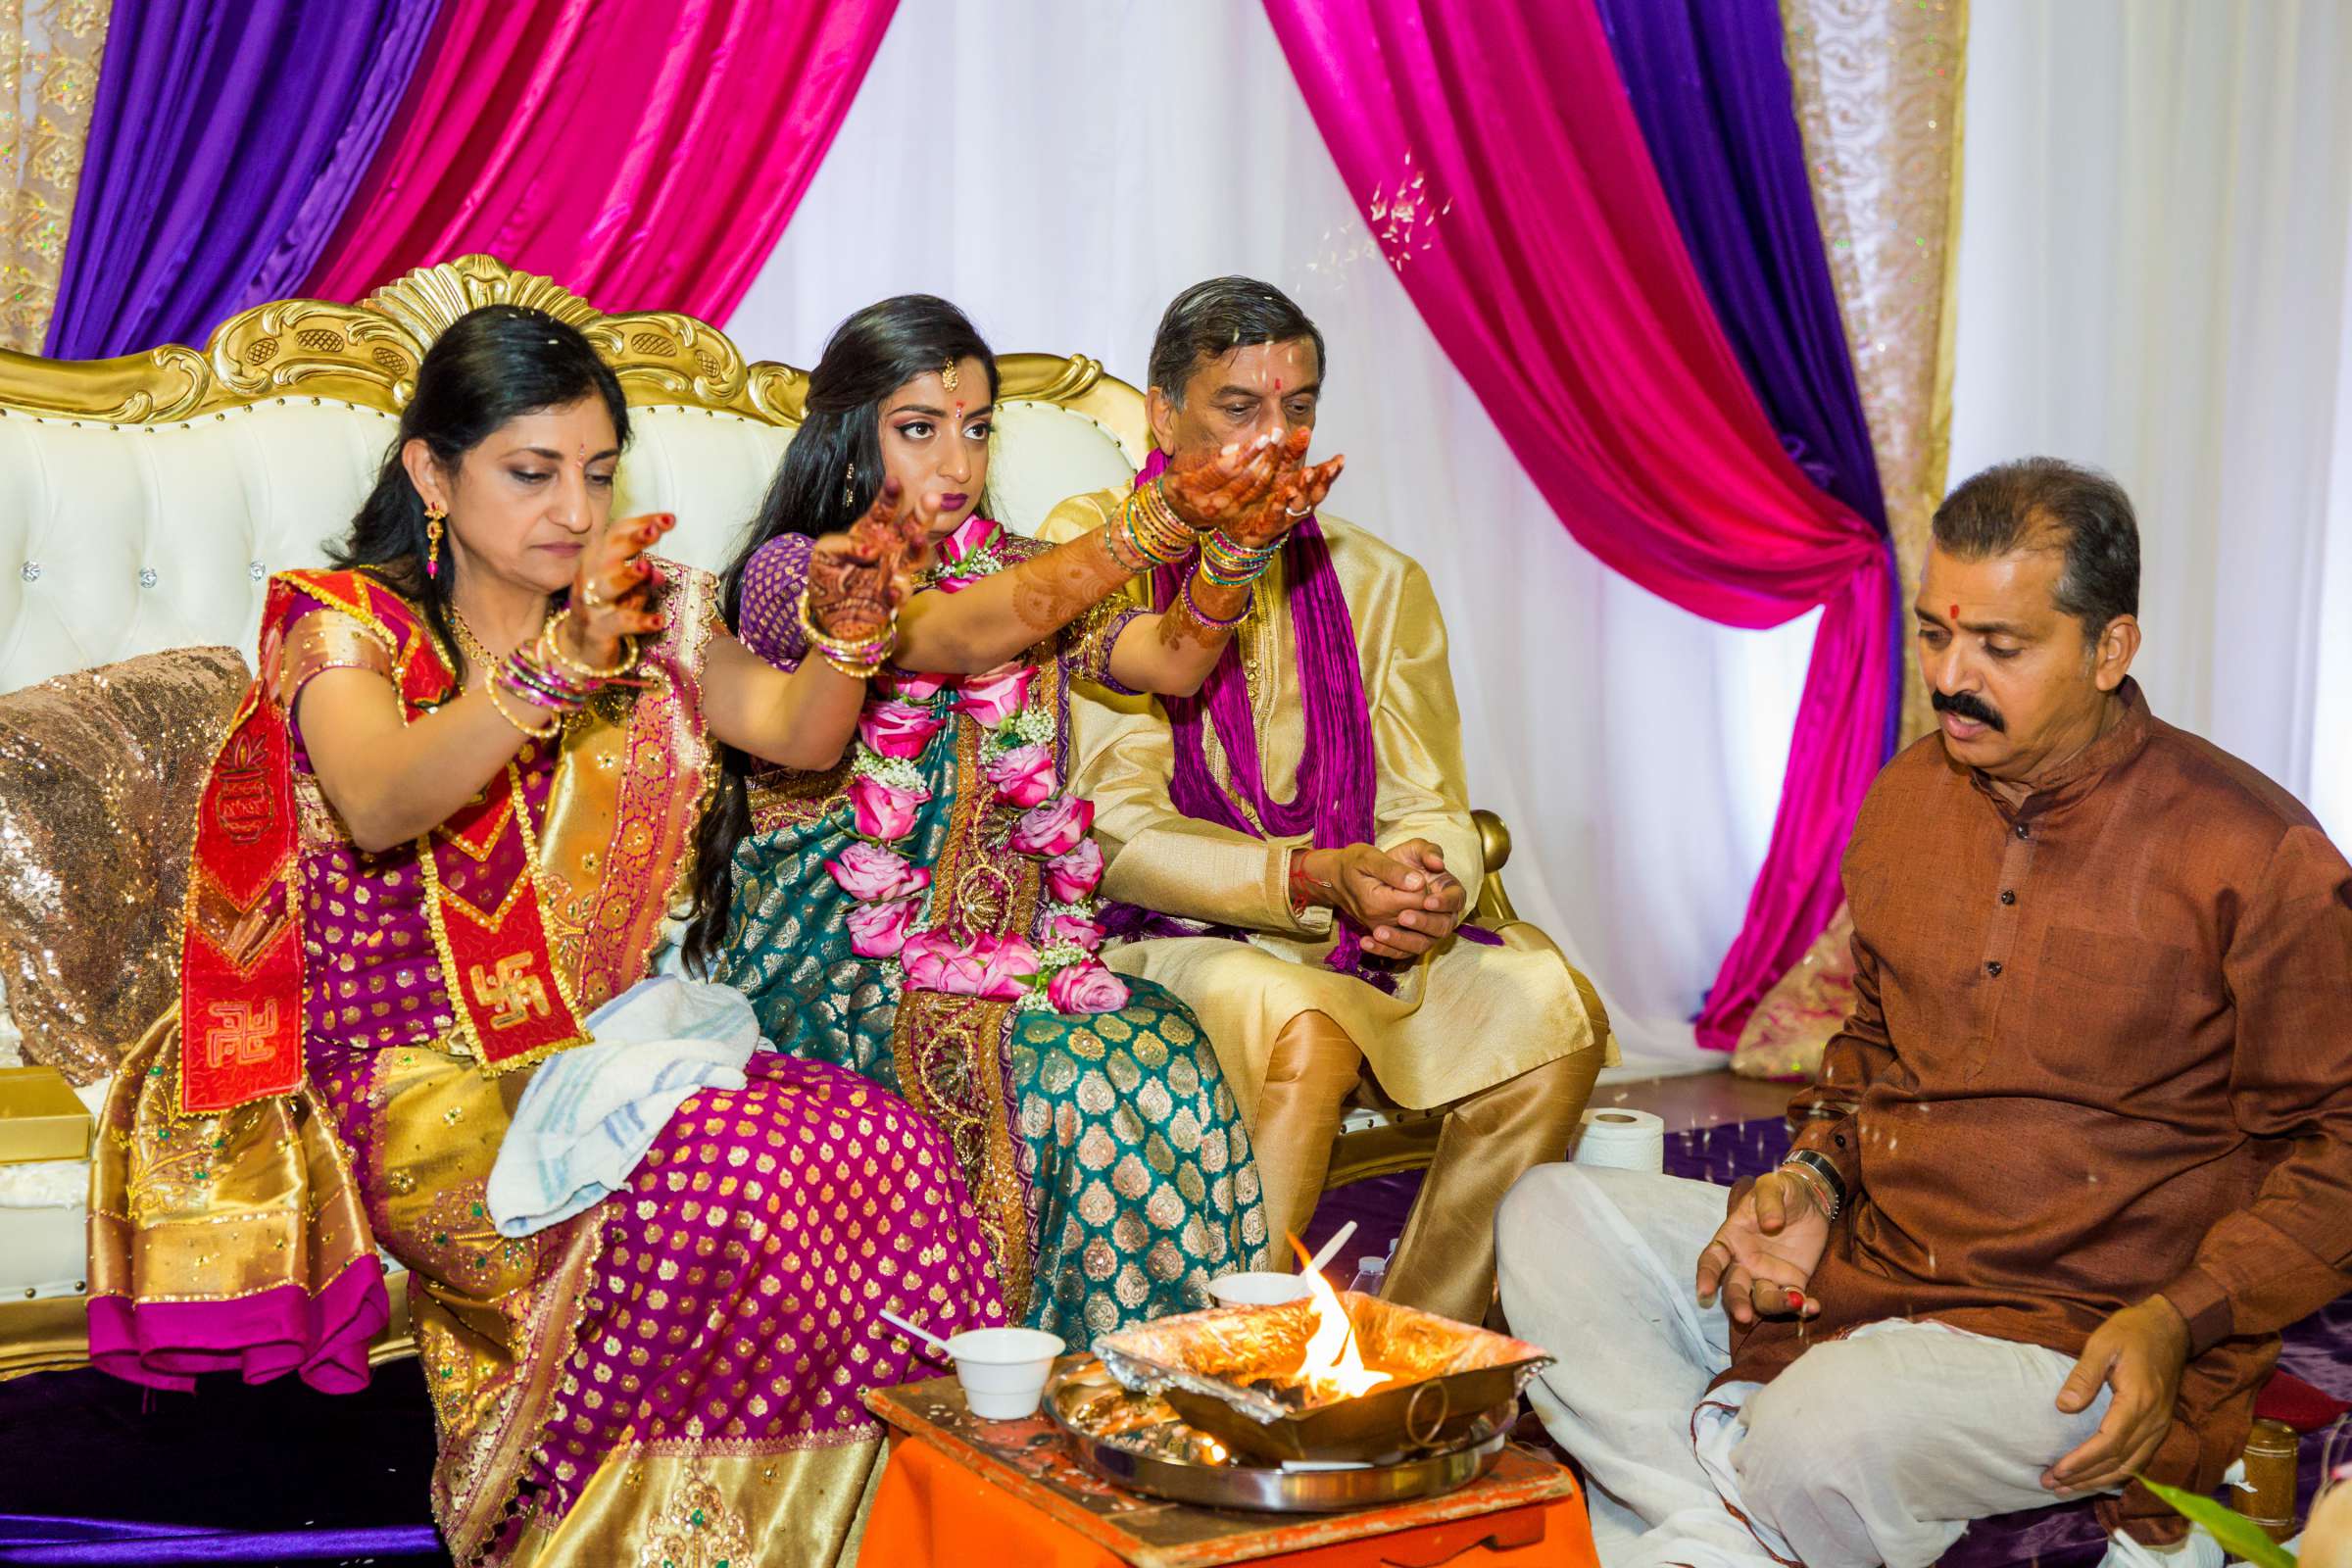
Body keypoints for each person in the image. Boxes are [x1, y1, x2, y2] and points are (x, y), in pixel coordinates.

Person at [87, 306, 1007, 1567]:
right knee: (718, 1179)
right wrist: (554, 669)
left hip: (599, 1046)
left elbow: (798, 732)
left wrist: (849, 633)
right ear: (431, 471)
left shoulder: (656, 613)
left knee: (882, 1144)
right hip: (410, 1080)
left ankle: (893, 1538)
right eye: (531, 472)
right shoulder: (345, 624)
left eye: (597, 469)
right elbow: (384, 796)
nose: (573, 509)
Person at [1498, 458, 2352, 1568]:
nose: (1953, 677)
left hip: (2092, 1335)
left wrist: (2180, 1318)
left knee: (1823, 1430)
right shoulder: (1910, 799)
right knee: (1553, 1217)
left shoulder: (2253, 852)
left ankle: (1709, 1513)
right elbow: (1870, 1051)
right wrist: (1812, 1178)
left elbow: (2341, 1146)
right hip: (1871, 1269)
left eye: (2000, 647)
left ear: (2111, 649)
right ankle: (1723, 1527)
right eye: (1934, 635)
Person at [693, 295, 1340, 1338]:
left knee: (1165, 1052)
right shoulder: (810, 573)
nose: (956, 459)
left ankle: (1173, 1380)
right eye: (920, 427)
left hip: (1013, 959)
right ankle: (1027, 1395)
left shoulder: (1017, 565)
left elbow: (1172, 661)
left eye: (979, 426)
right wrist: (1164, 517)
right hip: (839, 967)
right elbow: (948, 636)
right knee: (1073, 1082)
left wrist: (1235, 551)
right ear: (849, 432)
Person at [1044, 277, 1612, 1325]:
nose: (1277, 438)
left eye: (1298, 407)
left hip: (1343, 920)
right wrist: (1305, 879)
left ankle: (1410, 1339)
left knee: (1551, 1003)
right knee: (1301, 1020)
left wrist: (1423, 876)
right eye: (1239, 407)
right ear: (1163, 415)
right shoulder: (1102, 548)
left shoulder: (1376, 578)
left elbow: (1428, 795)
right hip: (1156, 928)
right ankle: (1217, 1359)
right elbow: (1108, 829)